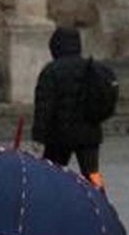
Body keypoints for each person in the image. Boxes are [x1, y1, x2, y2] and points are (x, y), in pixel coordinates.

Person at [33, 26, 118, 189]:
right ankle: (99, 196)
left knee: (53, 173)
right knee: (92, 173)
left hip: (59, 135)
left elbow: (44, 106)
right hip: (89, 132)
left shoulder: (51, 71)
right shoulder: (92, 68)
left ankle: (54, 198)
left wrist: (39, 136)